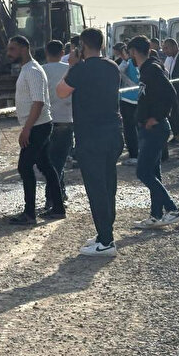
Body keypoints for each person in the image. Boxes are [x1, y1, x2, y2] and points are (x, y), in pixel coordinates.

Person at [57, 28, 123, 257]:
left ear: (82, 46)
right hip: (113, 132)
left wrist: (72, 66)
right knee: (108, 185)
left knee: (96, 188)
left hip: (91, 136)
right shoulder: (112, 66)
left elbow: (61, 92)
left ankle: (106, 241)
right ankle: (106, 232)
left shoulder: (80, 69)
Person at [124, 36, 179, 230]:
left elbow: (170, 93)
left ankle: (173, 209)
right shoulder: (148, 68)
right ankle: (156, 215)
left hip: (154, 129)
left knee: (143, 172)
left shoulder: (151, 69)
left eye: (130, 52)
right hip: (149, 128)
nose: (129, 56)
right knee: (153, 172)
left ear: (134, 51)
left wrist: (157, 117)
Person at [6, 35, 65, 225]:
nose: (9, 53)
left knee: (24, 167)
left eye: (13, 49)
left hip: (38, 126)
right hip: (38, 125)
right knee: (46, 166)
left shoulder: (32, 71)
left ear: (24, 48)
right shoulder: (28, 69)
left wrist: (27, 129)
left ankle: (30, 213)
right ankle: (58, 208)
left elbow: (38, 102)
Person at [41, 40, 72, 209]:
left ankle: (59, 192)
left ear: (46, 52)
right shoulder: (70, 69)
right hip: (66, 119)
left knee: (52, 160)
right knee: (59, 161)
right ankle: (52, 196)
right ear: (62, 53)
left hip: (46, 121)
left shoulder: (40, 71)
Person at [116, 43, 141, 165]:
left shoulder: (129, 63)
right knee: (135, 128)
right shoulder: (139, 62)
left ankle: (134, 155)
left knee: (130, 129)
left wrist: (125, 60)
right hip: (136, 98)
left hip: (129, 99)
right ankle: (137, 152)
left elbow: (118, 72)